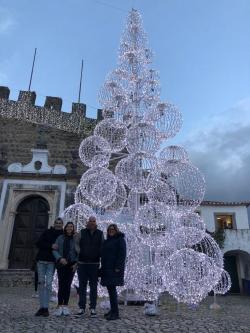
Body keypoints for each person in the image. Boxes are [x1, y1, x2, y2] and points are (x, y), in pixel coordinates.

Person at [75, 216, 104, 317]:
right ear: (88, 222)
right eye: (90, 221)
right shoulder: (82, 232)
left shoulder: (100, 233)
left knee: (94, 287)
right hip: (82, 263)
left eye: (93, 221)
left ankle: (92, 308)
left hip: (94, 264)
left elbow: (102, 246)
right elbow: (76, 243)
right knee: (82, 287)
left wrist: (99, 254)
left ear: (96, 222)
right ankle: (81, 307)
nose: (92, 223)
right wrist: (80, 252)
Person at [35, 217, 64, 317]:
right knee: (41, 282)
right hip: (42, 260)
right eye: (57, 223)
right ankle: (41, 307)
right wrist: (50, 245)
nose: (58, 224)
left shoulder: (63, 235)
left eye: (60, 223)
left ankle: (46, 307)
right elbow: (38, 243)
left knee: (48, 283)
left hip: (52, 262)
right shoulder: (47, 232)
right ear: (54, 223)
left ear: (62, 224)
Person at [100, 224, 126, 321]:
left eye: (113, 229)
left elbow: (122, 254)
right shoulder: (108, 241)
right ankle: (113, 310)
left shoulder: (120, 240)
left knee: (112, 291)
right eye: (109, 229)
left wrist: (118, 267)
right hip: (107, 269)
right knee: (111, 291)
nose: (111, 231)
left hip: (114, 269)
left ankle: (115, 313)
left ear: (116, 230)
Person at [52, 222, 78, 316]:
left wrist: (76, 263)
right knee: (61, 285)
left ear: (73, 228)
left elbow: (79, 252)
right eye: (68, 226)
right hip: (61, 264)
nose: (70, 228)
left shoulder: (75, 239)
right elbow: (54, 250)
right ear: (65, 227)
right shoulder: (60, 238)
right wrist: (59, 258)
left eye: (71, 226)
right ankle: (59, 306)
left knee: (68, 285)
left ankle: (66, 306)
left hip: (71, 265)